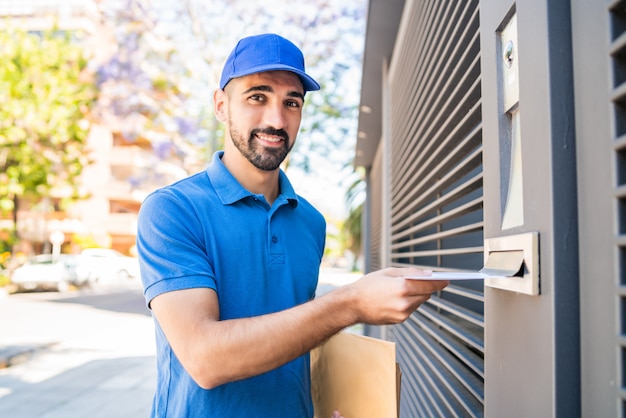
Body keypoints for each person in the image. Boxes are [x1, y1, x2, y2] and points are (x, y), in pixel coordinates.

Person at [137, 33, 449, 417]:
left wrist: (334, 401)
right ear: (221, 105)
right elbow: (206, 359)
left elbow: (298, 335)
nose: (276, 119)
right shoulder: (172, 210)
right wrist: (351, 303)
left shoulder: (311, 222)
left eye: (292, 102)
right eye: (257, 97)